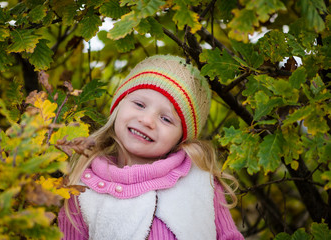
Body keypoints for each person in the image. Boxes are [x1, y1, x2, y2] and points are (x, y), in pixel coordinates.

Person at [58, 55, 244, 240]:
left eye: (166, 119)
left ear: (181, 138)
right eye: (139, 104)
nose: (147, 121)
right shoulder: (81, 189)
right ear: (119, 106)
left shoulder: (201, 181)